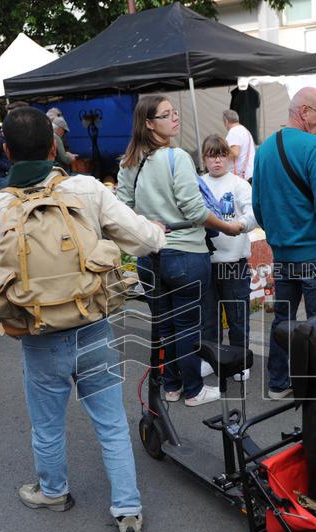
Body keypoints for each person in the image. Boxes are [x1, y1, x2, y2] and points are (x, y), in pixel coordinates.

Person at [0, 107, 168, 532]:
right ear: (53, 147)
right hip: (92, 326)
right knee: (112, 422)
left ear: (5, 150)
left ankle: (54, 492)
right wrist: (158, 232)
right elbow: (140, 237)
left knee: (46, 424)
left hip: (38, 338)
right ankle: (128, 509)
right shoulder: (84, 189)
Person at [118, 97, 245, 407]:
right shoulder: (177, 157)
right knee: (188, 326)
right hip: (186, 254)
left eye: (175, 113)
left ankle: (172, 386)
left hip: (149, 256)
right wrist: (229, 228)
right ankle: (192, 390)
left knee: (165, 325)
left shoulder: (129, 160)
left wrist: (147, 221)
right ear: (149, 123)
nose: (175, 118)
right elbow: (194, 209)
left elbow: (121, 208)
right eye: (166, 115)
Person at [252, 87, 316, 399]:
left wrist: (279, 236)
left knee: (283, 319)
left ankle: (278, 383)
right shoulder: (315, 149)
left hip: (283, 253)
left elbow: (258, 207)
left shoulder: (264, 149)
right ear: (304, 112)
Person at [201, 134, 258, 378]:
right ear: (204, 159)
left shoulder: (239, 184)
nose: (217, 161)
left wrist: (241, 225)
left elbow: (253, 211)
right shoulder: (197, 183)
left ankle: (240, 361)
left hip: (234, 263)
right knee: (208, 316)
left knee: (237, 315)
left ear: (229, 157)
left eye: (222, 155)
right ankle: (210, 359)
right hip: (204, 262)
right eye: (212, 156)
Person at [223, 109, 255, 182]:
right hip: (248, 174)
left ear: (226, 121)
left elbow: (235, 153)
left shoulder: (234, 131)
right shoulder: (244, 130)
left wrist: (222, 150)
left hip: (241, 177)